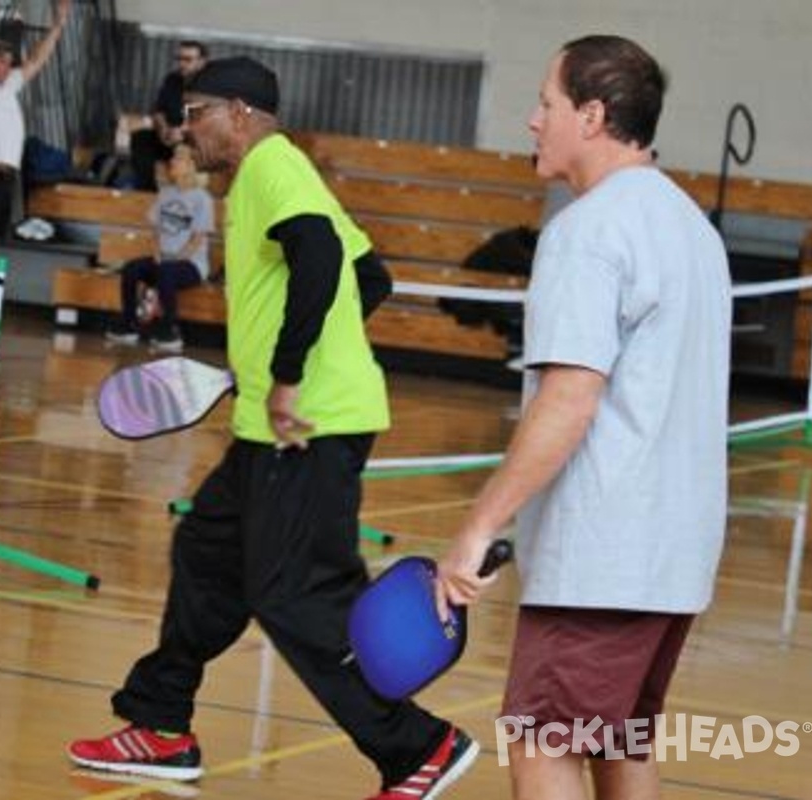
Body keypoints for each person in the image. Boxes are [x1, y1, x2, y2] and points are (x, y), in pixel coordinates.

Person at [69, 57, 477, 800]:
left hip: (308, 426)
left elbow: (321, 255)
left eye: (196, 114)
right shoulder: (279, 177)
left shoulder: (270, 167)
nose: (185, 131)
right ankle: (160, 723)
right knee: (205, 553)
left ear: (240, 113)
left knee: (293, 593)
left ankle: (416, 746)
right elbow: (370, 277)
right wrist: (291, 365)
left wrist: (291, 372)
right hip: (274, 424)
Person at [434, 36, 731, 800]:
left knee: (543, 742)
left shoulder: (587, 231)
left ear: (592, 115)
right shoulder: (691, 228)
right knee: (621, 742)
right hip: (675, 556)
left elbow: (569, 399)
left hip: (603, 560)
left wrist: (478, 526)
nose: (534, 121)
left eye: (547, 102)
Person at [0, 0, 71, 319]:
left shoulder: (10, 87)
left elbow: (37, 59)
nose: (9, 67)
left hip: (8, 177)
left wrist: (58, 25)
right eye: (3, 62)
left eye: (9, 62)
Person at [105, 145, 214, 352]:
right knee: (131, 269)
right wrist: (157, 252)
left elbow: (197, 239)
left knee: (166, 273)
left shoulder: (202, 199)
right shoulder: (166, 193)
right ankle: (129, 324)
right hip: (163, 259)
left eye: (178, 159)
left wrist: (173, 260)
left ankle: (169, 330)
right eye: (173, 158)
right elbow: (156, 231)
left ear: (192, 166)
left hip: (191, 265)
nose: (172, 162)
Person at [128, 40, 208, 192]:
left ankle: (185, 200)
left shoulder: (210, 87)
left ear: (202, 61)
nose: (182, 63)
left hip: (193, 142)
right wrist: (163, 129)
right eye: (180, 59)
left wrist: (184, 134)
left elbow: (208, 122)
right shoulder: (172, 79)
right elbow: (159, 110)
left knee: (185, 152)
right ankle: (146, 192)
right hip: (168, 135)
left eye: (188, 59)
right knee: (140, 138)